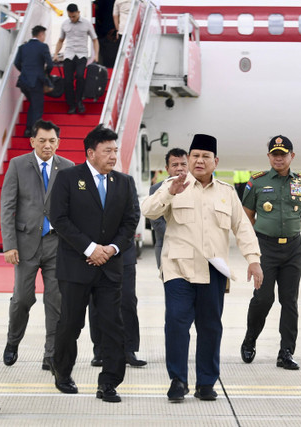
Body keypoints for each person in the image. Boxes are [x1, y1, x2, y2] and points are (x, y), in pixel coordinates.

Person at [141, 134, 263, 403]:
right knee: (176, 324)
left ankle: (206, 382)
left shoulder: (226, 192)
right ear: (188, 159)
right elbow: (148, 211)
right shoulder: (174, 185)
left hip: (213, 271)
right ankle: (178, 380)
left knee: (210, 327)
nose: (199, 161)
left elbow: (242, 227)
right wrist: (169, 193)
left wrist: (253, 259)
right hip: (177, 269)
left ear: (215, 161)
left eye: (205, 156)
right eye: (194, 156)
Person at [49, 124, 139, 403]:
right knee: (71, 325)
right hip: (76, 267)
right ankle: (62, 372)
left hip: (109, 267)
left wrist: (111, 249)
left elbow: (130, 220)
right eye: (107, 151)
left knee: (112, 325)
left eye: (115, 150)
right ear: (91, 152)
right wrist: (90, 248)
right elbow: (59, 218)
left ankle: (109, 383)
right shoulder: (67, 178)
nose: (113, 156)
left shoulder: (124, 182)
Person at [0, 119, 74, 371]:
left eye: (52, 141)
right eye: (42, 140)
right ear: (32, 141)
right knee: (22, 298)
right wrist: (9, 244)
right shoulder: (18, 165)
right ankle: (13, 341)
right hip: (25, 244)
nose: (47, 145)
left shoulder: (67, 167)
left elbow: (72, 209)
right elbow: (7, 206)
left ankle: (50, 355)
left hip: (56, 244)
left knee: (55, 302)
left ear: (58, 143)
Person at [240, 135, 301, 370]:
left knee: (289, 301)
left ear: (292, 156)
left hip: (292, 249)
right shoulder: (257, 182)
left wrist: (288, 236)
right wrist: (255, 246)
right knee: (263, 298)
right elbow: (247, 216)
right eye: (274, 154)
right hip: (265, 249)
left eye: (283, 154)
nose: (278, 158)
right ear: (269, 156)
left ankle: (286, 352)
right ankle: (250, 339)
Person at [89, 237, 147, 368]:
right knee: (96, 301)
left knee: (128, 300)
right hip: (95, 250)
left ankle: (129, 349)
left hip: (123, 247)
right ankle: (99, 351)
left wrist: (115, 246)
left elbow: (132, 218)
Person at [53, 3, 99, 115]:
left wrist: (96, 54)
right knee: (68, 81)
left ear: (78, 13)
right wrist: (55, 53)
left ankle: (79, 101)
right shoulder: (64, 24)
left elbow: (95, 40)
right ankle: (71, 104)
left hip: (82, 55)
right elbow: (60, 40)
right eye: (70, 16)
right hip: (68, 55)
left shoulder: (87, 24)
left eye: (73, 16)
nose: (72, 19)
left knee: (79, 76)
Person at [148, 148, 188, 268]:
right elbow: (156, 222)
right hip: (166, 248)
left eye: (183, 164)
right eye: (175, 165)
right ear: (167, 168)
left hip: (193, 251)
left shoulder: (196, 188)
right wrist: (181, 238)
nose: (179, 168)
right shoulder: (156, 189)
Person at [14, 25, 53, 137]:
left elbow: (16, 63)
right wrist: (46, 74)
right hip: (36, 81)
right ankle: (34, 132)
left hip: (23, 81)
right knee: (38, 106)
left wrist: (25, 71)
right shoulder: (43, 47)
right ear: (41, 34)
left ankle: (28, 129)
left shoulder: (23, 47)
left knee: (33, 104)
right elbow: (50, 64)